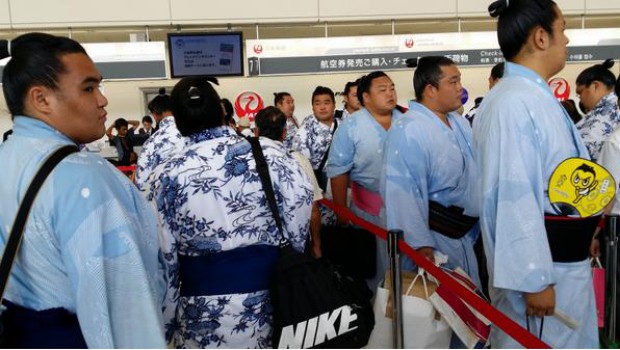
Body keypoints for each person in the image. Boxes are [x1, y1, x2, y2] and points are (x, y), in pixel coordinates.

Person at [0, 33, 165, 348]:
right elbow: (126, 308)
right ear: (41, 99)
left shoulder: (6, 159)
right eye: (89, 88)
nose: (102, 100)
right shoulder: (83, 177)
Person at [147, 76, 313, 348]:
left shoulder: (164, 175)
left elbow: (164, 258)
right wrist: (290, 258)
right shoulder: (270, 154)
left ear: (177, 121)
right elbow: (301, 201)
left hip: (202, 309)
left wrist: (167, 322)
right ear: (222, 111)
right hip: (275, 296)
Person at [474, 0, 598, 347]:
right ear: (541, 38)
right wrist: (534, 277)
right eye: (562, 30)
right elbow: (513, 194)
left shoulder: (532, 96)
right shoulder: (513, 102)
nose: (567, 40)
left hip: (562, 260)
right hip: (541, 274)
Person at [383, 56, 481, 288]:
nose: (460, 89)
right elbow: (402, 192)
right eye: (453, 82)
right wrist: (420, 247)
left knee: (470, 309)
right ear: (431, 89)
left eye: (460, 81)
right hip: (434, 238)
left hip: (466, 234)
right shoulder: (409, 128)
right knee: (438, 314)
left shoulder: (460, 123)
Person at [326, 71, 406, 291]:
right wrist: (342, 212)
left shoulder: (407, 121)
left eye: (392, 88)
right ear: (366, 97)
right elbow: (339, 172)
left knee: (408, 275)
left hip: (408, 210)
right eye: (382, 90)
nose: (390, 93)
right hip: (367, 212)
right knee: (374, 274)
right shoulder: (350, 127)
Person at [255, 106, 323, 258]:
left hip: (259, 248)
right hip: (295, 248)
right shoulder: (298, 160)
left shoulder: (243, 163)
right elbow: (313, 209)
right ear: (285, 133)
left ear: (256, 132)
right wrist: (317, 245)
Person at [135, 88, 185, 192]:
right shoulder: (193, 133)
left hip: (164, 200)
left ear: (155, 114)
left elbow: (141, 182)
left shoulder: (151, 142)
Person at [291, 86, 339, 192]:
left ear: (334, 105)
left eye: (326, 103)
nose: (322, 107)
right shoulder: (304, 132)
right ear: (312, 107)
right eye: (317, 103)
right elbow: (301, 167)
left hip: (344, 183)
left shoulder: (343, 124)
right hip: (318, 187)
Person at [575, 59, 620, 162]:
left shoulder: (605, 112)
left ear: (595, 86)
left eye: (580, 92)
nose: (580, 99)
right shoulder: (612, 107)